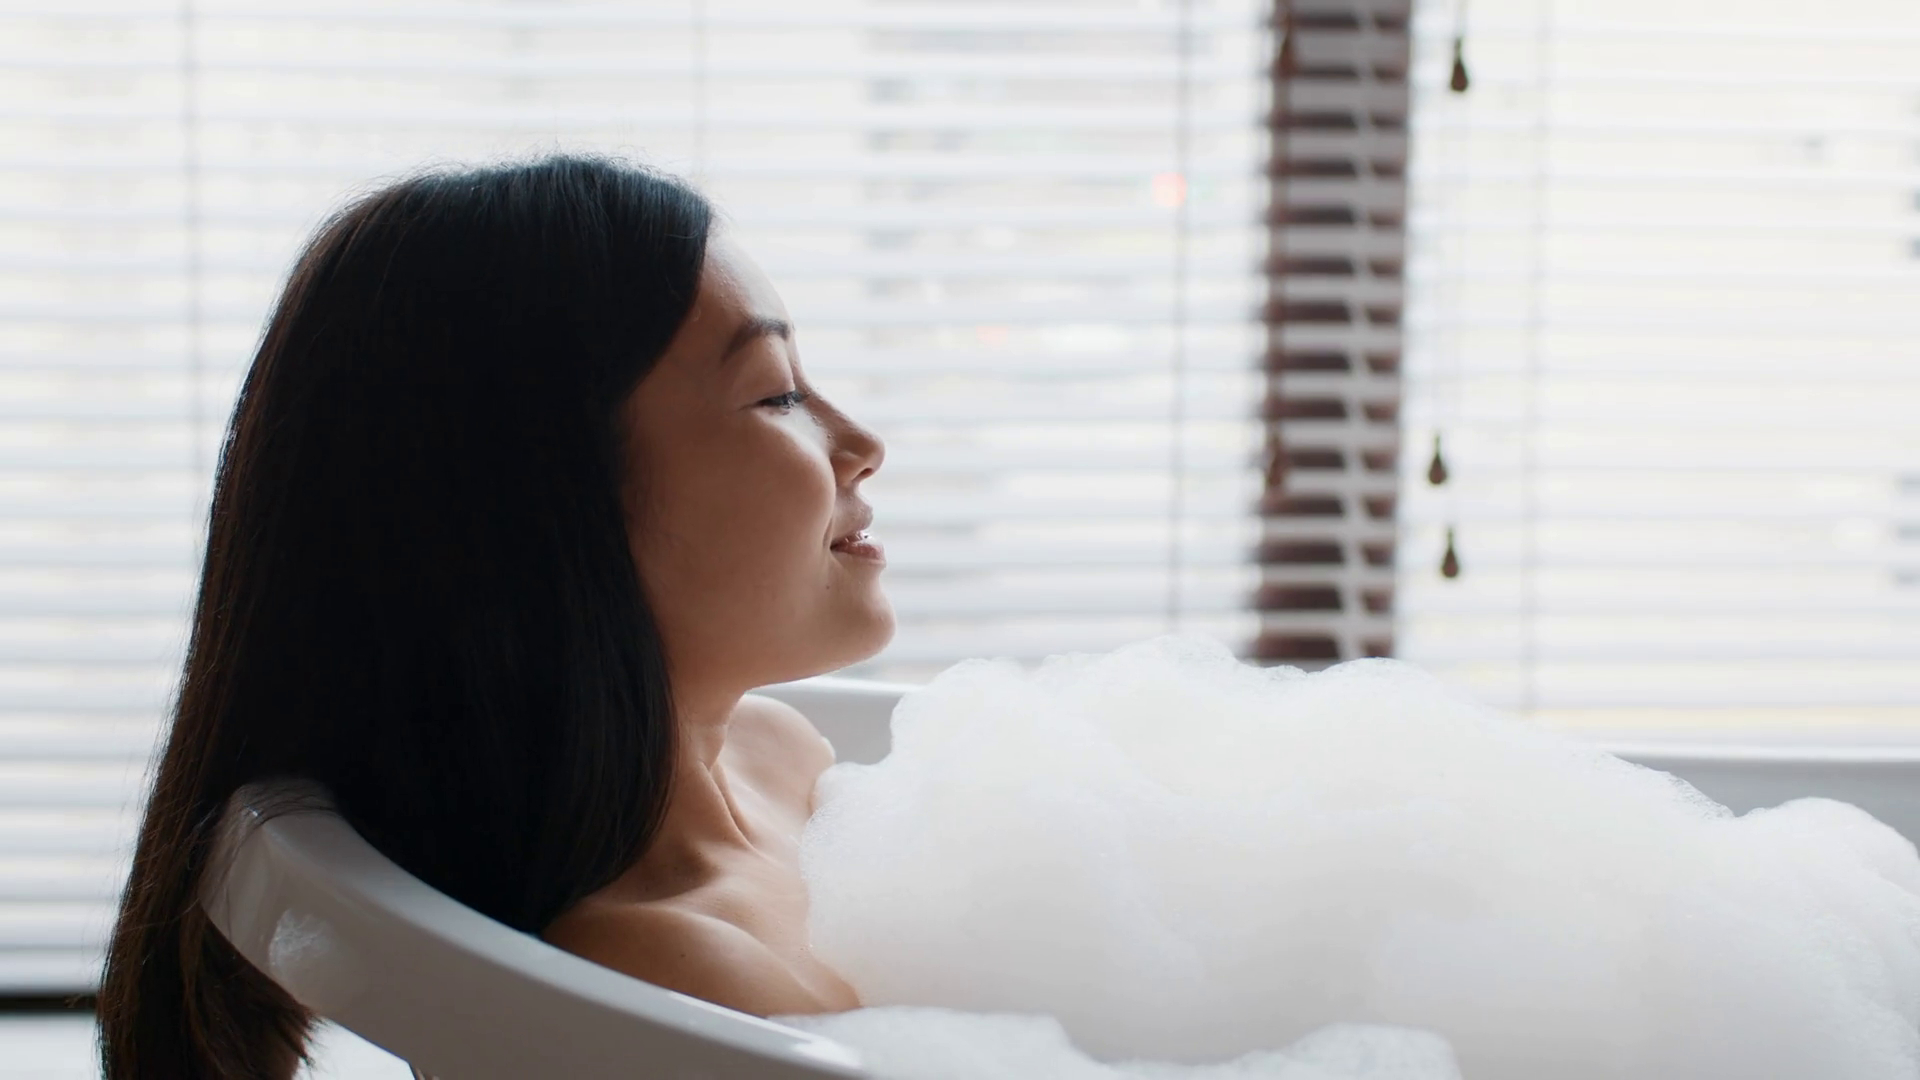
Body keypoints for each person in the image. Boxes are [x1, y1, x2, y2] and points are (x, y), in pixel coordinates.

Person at [97, 155, 891, 1078]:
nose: (863, 446)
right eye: (777, 394)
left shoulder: (778, 754)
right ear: (552, 512)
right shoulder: (664, 976)